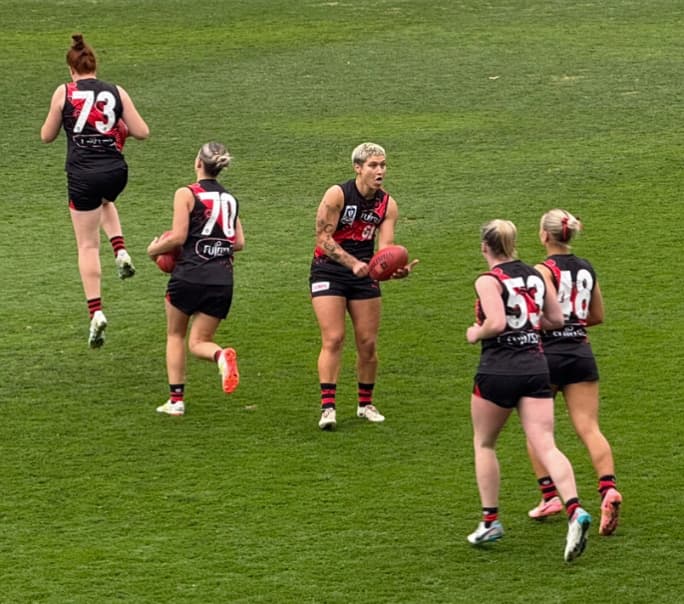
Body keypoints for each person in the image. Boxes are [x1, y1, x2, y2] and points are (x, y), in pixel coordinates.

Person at [465, 219, 591, 562]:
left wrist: (476, 332)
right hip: (536, 367)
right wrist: (530, 324)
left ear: (485, 246)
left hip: (498, 369)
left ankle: (490, 521)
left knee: (484, 443)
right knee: (546, 443)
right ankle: (575, 509)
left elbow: (496, 323)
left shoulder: (488, 280)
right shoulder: (536, 274)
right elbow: (556, 319)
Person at [40, 33, 149, 348]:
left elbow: (46, 135)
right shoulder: (116, 91)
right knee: (105, 201)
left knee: (87, 246)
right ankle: (120, 250)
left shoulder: (64, 92)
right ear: (94, 66)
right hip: (116, 172)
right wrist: (117, 129)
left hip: (82, 174)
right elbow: (142, 131)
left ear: (71, 69)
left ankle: (96, 312)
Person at [526, 209, 621, 536]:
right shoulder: (586, 268)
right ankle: (608, 488)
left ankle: (550, 496)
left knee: (537, 431)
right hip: (580, 353)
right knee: (589, 428)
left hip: (547, 356)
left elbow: (535, 316)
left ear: (544, 235)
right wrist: (574, 325)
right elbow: (597, 315)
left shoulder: (542, 271)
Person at [310, 142, 417, 430]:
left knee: (368, 343)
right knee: (333, 338)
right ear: (358, 168)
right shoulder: (338, 194)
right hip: (328, 270)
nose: (380, 170)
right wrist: (352, 263)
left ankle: (365, 404)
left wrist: (394, 269)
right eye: (373, 165)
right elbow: (323, 238)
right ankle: (328, 408)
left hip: (364, 274)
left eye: (383, 165)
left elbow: (385, 249)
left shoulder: (387, 204)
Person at [147, 142, 243, 417]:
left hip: (189, 274)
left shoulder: (186, 193)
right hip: (222, 279)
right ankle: (220, 355)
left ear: (198, 162)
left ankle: (176, 401)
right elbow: (238, 242)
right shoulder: (231, 199)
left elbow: (178, 237)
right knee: (199, 341)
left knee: (175, 335)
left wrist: (154, 250)